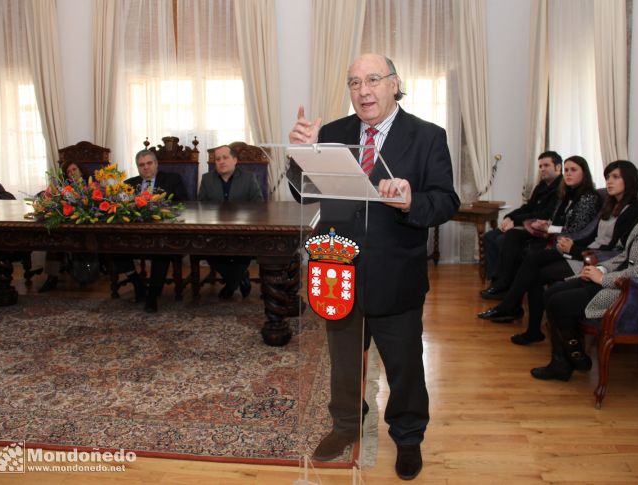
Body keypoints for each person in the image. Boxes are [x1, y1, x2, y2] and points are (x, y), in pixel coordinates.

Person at [289, 53, 460, 480]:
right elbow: (303, 194)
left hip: (395, 273)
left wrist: (410, 201)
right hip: (337, 271)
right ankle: (346, 424)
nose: (362, 91)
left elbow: (446, 200)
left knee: (404, 366)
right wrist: (298, 155)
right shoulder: (332, 133)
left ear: (394, 83)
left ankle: (407, 436)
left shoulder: (427, 136)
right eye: (353, 83)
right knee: (344, 362)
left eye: (372, 80)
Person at [531, 165, 638, 382]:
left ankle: (566, 361)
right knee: (553, 293)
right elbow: (625, 254)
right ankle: (572, 357)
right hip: (620, 277)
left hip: (636, 292)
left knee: (560, 302)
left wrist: (604, 279)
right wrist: (599, 269)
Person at [478, 160, 638, 344]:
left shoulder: (634, 209)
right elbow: (590, 233)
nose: (609, 181)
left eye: (615, 177)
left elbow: (616, 249)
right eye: (608, 177)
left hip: (596, 259)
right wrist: (571, 243)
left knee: (535, 268)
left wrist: (573, 248)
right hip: (584, 251)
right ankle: (527, 324)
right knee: (532, 261)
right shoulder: (609, 204)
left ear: (629, 180)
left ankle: (513, 310)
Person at [481, 155, 601, 300]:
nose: (568, 173)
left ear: (584, 172)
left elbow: (574, 229)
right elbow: (543, 213)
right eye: (567, 169)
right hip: (549, 231)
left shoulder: (587, 197)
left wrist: (547, 228)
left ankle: (506, 292)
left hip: (562, 240)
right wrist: (513, 217)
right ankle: (501, 283)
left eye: (573, 170)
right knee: (509, 235)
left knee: (513, 243)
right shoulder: (561, 191)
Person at [115, 150, 189, 312]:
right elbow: (120, 208)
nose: (146, 168)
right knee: (113, 244)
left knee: (161, 250)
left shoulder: (172, 180)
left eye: (149, 163)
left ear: (156, 164)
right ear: (138, 167)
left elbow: (185, 204)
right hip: (134, 233)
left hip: (163, 232)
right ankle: (137, 283)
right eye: (141, 165)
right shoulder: (129, 185)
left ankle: (152, 295)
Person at [482, 151, 562, 281]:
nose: (542, 169)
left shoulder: (561, 187)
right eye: (540, 166)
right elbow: (528, 207)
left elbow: (545, 214)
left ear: (558, 167)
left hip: (539, 228)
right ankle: (494, 279)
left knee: (502, 240)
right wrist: (509, 217)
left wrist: (516, 221)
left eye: (546, 165)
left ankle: (506, 280)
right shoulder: (541, 186)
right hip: (526, 222)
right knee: (489, 237)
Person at [198, 144, 264, 298]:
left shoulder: (248, 178)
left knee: (243, 250)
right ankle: (240, 278)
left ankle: (231, 285)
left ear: (235, 160)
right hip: (215, 231)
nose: (221, 161)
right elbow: (200, 206)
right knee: (204, 248)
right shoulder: (207, 179)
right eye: (217, 159)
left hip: (243, 230)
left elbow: (259, 205)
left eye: (225, 157)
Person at [38, 160, 89, 292]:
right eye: (68, 172)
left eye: (74, 169)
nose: (72, 173)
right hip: (64, 225)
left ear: (81, 170)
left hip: (85, 226)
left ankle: (83, 275)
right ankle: (52, 278)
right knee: (53, 241)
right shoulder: (63, 188)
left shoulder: (91, 186)